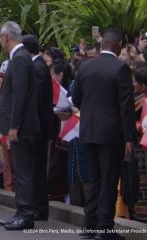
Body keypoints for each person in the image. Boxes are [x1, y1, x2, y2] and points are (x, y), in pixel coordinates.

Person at [72, 28, 136, 240]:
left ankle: (89, 226)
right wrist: (129, 137)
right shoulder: (121, 68)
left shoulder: (85, 67)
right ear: (117, 44)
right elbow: (126, 106)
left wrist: (90, 114)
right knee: (109, 179)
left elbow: (75, 99)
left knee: (93, 179)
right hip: (111, 134)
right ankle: (105, 228)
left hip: (88, 131)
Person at [0, 21, 40, 231]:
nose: (0, 43)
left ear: (6, 37)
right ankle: (21, 212)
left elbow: (20, 95)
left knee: (23, 172)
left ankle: (25, 215)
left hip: (22, 127)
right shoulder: (20, 57)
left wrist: (14, 126)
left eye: (0, 39)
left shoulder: (20, 58)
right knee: (20, 170)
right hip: (21, 126)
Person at [22, 34, 53, 221]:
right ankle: (38, 207)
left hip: (38, 127)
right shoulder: (38, 66)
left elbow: (37, 99)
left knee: (37, 169)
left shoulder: (37, 68)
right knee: (36, 169)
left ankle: (38, 208)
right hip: (38, 126)